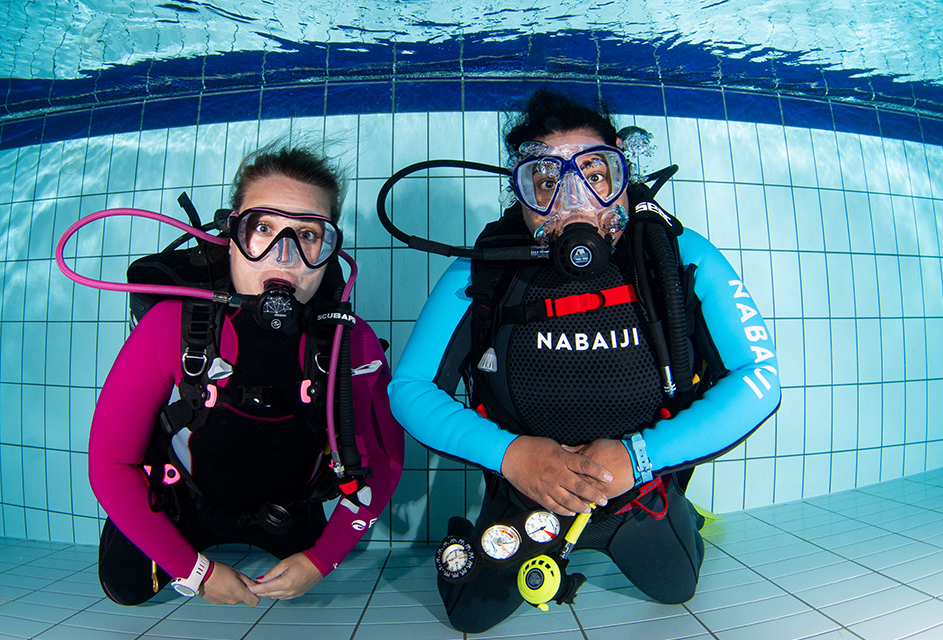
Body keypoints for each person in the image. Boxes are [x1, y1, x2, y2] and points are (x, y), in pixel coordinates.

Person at [387, 89, 780, 632]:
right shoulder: (482, 272)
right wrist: (513, 456)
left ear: (624, 178)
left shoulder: (679, 256)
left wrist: (641, 459)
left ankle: (680, 511)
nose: (574, 203)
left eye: (596, 174)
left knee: (676, 587)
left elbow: (759, 378)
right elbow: (409, 387)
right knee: (468, 617)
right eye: (546, 182)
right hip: (526, 493)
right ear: (519, 192)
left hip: (637, 492)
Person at [88, 145, 404, 606]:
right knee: (125, 586)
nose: (285, 255)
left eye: (308, 235)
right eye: (263, 228)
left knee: (302, 600)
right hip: (185, 503)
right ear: (233, 235)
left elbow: (386, 461)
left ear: (329, 249)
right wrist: (195, 572)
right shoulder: (170, 328)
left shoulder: (349, 342)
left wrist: (321, 560)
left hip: (284, 512)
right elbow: (111, 465)